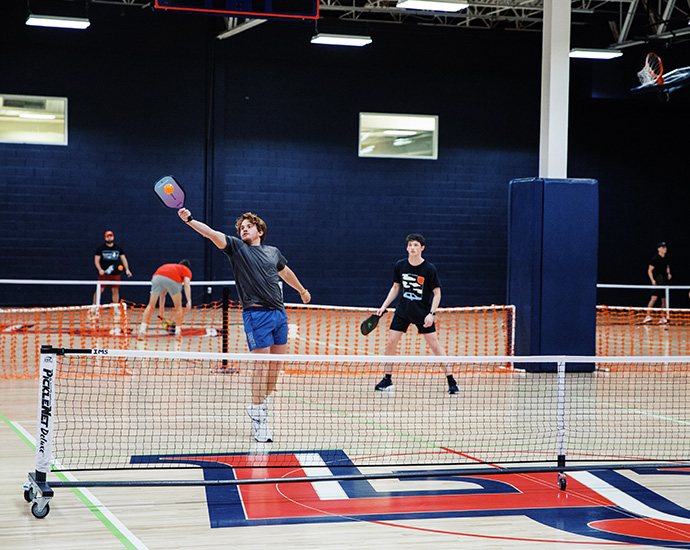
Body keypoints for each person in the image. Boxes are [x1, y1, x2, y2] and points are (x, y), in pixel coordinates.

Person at [177, 207, 311, 443]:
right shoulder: (237, 249)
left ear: (260, 231)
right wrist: (190, 220)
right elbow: (211, 233)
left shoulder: (273, 252)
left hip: (279, 314)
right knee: (261, 365)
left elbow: (286, 271)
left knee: (275, 367)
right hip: (256, 315)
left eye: (248, 226)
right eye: (241, 228)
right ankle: (259, 416)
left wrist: (301, 290)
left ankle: (261, 404)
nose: (243, 229)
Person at [373, 233, 459, 394]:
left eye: (416, 245)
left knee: (435, 346)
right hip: (403, 311)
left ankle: (451, 380)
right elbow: (396, 287)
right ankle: (387, 379)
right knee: (391, 342)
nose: (412, 248)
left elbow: (437, 293)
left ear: (422, 248)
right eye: (410, 245)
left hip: (422, 313)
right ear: (407, 248)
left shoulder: (429, 269)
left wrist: (431, 314)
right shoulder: (400, 266)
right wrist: (383, 306)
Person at [137, 261, 192, 338]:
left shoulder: (170, 267)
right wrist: (189, 300)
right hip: (173, 280)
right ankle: (177, 333)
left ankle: (141, 332)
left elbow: (163, 294)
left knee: (150, 305)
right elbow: (186, 284)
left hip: (157, 277)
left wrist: (161, 312)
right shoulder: (186, 269)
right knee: (178, 308)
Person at [93, 230, 132, 304]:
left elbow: (123, 259)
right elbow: (96, 260)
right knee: (99, 290)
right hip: (104, 273)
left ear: (113, 237)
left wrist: (127, 269)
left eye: (110, 236)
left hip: (115, 273)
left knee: (115, 290)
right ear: (105, 238)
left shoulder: (118, 248)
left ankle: (115, 308)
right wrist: (100, 269)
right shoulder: (101, 249)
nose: (109, 238)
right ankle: (94, 306)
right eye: (108, 237)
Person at [644, 241, 671, 323]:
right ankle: (647, 316)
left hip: (664, 282)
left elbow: (667, 267)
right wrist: (652, 280)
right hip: (656, 282)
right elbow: (649, 270)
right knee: (654, 298)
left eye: (665, 247)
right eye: (663, 248)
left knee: (664, 300)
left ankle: (662, 317)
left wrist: (669, 273)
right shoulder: (655, 259)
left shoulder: (666, 259)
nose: (665, 249)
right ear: (659, 249)